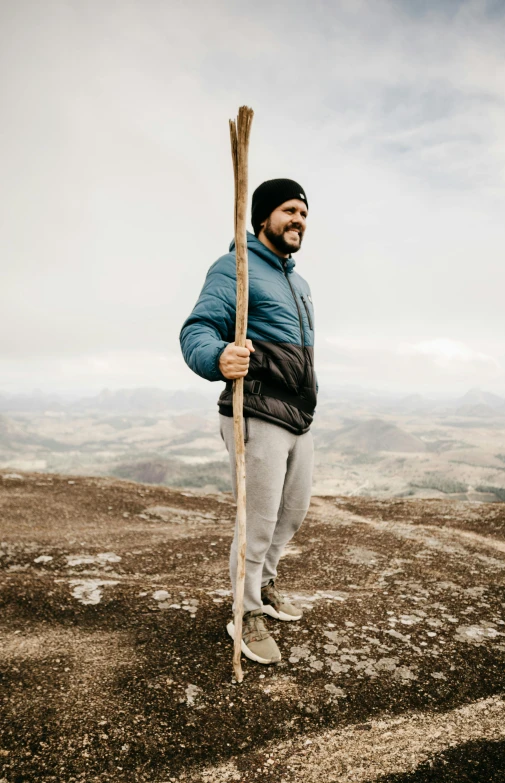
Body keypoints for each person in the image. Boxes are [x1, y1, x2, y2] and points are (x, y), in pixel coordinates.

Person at [180, 178, 317, 664]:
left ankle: (266, 582)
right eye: (288, 210)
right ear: (263, 217)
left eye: (303, 212)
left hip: (298, 414)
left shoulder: (296, 281)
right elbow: (197, 329)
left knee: (293, 512)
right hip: (256, 410)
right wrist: (219, 357)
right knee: (256, 522)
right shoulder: (233, 267)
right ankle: (245, 611)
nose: (298, 219)